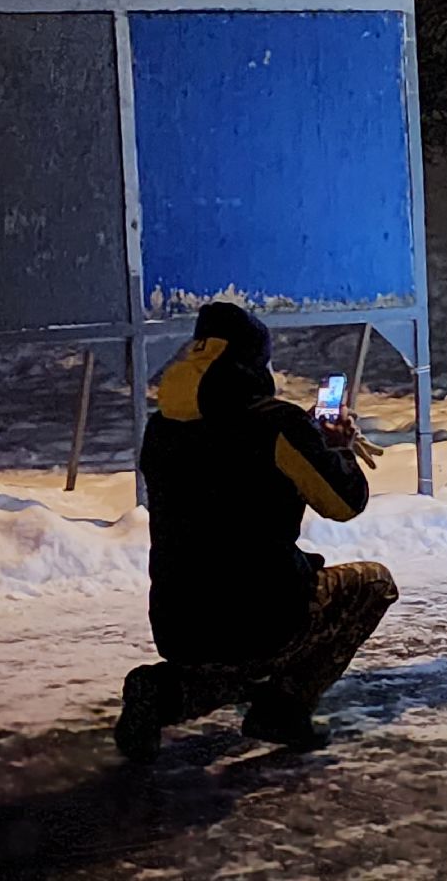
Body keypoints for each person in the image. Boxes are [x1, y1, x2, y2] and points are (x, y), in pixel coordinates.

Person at [113, 302, 397, 762]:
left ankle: (162, 691)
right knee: (373, 584)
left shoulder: (161, 428)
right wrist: (336, 448)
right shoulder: (277, 425)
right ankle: (283, 710)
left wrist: (303, 433)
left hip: (179, 620)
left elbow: (223, 449)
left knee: (225, 660)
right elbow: (345, 503)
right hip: (263, 613)